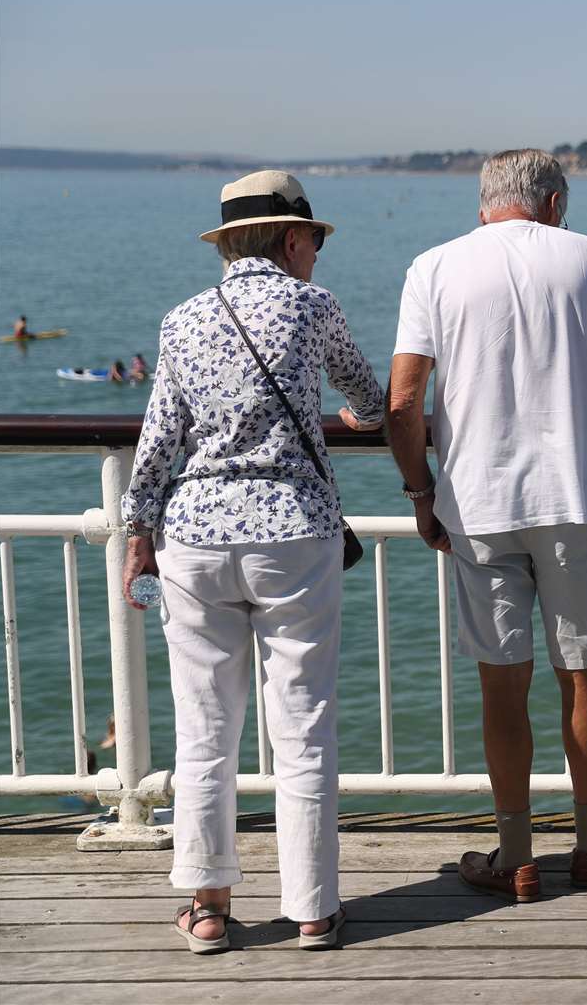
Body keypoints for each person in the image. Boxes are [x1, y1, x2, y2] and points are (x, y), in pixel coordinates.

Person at [387, 150, 587, 901]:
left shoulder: (435, 267)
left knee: (502, 686)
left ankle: (515, 854)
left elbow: (401, 403)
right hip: (579, 497)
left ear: (484, 203)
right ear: (553, 201)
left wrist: (421, 493)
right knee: (582, 677)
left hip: (478, 503)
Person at [120, 170, 383, 953]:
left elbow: (160, 435)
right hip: (292, 533)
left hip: (195, 537)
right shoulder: (312, 307)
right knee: (301, 727)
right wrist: (352, 416)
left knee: (205, 729)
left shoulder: (182, 319)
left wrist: (137, 524)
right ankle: (313, 909)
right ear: (293, 238)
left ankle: (207, 908)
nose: (317, 257)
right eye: (316, 243)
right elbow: (371, 399)